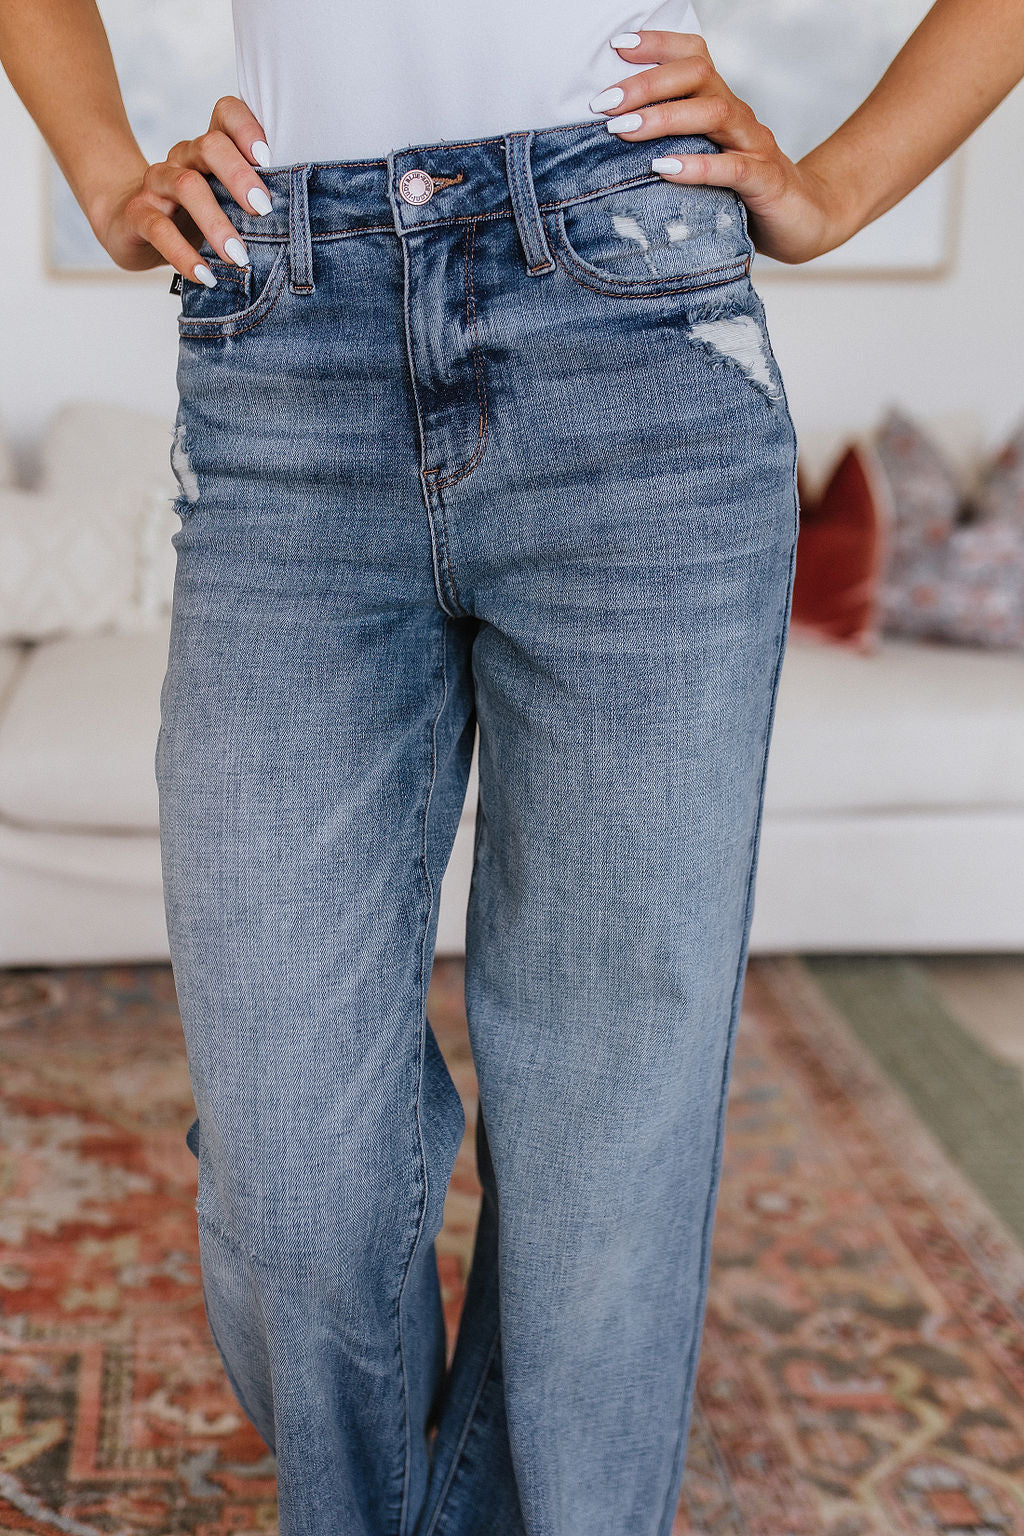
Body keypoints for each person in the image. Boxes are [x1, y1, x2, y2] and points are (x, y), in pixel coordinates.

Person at [2, 3, 1021, 1534]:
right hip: (288, 347)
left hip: (632, 334)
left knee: (608, 1150)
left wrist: (837, 186)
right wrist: (100, 168)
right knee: (288, 1176)